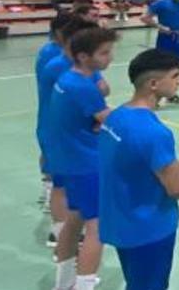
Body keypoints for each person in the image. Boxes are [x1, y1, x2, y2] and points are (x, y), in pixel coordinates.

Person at [98, 49, 179, 290]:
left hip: (122, 220)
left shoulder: (116, 116)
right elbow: (176, 188)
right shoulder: (154, 133)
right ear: (154, 84)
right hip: (149, 228)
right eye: (175, 76)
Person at [47, 26, 118, 290]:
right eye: (104, 53)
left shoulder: (67, 79)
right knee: (97, 227)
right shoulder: (82, 87)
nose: (109, 58)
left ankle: (63, 282)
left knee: (74, 220)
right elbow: (108, 120)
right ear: (84, 57)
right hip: (86, 163)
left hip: (68, 160)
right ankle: (85, 284)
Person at [37, 14, 101, 247]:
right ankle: (62, 234)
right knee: (64, 188)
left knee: (60, 184)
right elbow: (99, 91)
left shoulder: (57, 61)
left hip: (55, 129)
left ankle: (60, 233)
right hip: (70, 135)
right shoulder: (65, 67)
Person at [141, 0, 179, 105]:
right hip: (165, 38)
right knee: (162, 67)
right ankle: (153, 97)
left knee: (177, 66)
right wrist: (159, 26)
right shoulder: (161, 3)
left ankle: (171, 95)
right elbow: (145, 18)